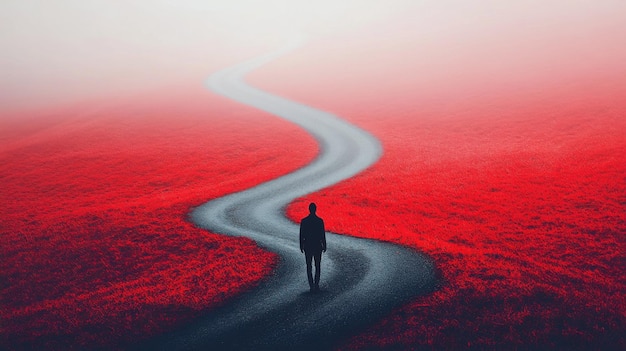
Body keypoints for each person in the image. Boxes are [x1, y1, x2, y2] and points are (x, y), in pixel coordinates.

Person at [299, 202, 326, 292]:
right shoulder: (319, 221)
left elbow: (301, 234)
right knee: (317, 265)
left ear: (309, 209)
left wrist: (301, 245)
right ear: (315, 209)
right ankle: (316, 284)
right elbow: (322, 234)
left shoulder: (304, 221)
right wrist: (324, 244)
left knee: (309, 265)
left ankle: (311, 285)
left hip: (308, 245)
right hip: (317, 245)